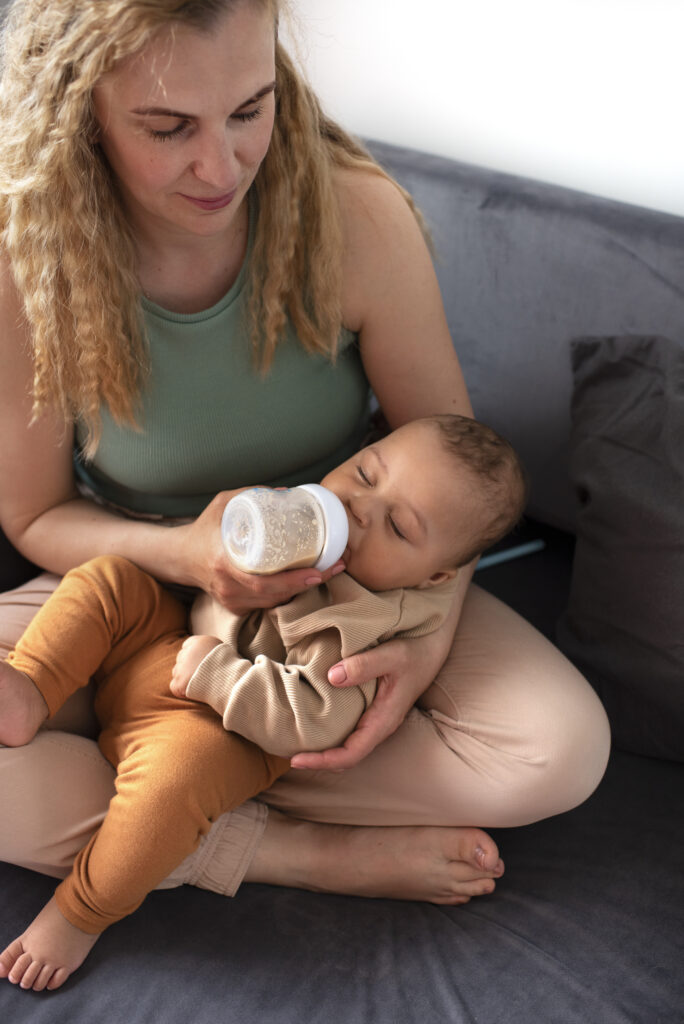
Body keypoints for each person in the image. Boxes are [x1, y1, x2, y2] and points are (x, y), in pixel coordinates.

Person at [0, 0, 610, 996]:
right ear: (80, 113)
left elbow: (450, 481)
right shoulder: (27, 266)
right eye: (169, 128)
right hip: (143, 577)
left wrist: (418, 642)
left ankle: (182, 784)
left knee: (559, 751)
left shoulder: (353, 216)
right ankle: (286, 849)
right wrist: (189, 555)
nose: (224, 166)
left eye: (252, 108)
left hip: (352, 584)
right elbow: (34, 520)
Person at [0, 414, 526, 990]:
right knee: (108, 580)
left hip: (211, 725)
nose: (359, 508)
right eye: (365, 473)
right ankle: (30, 686)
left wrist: (217, 675)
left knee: (177, 785)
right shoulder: (306, 520)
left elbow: (315, 717)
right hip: (166, 634)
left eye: (397, 526)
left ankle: (83, 911)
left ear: (436, 577)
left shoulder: (364, 624)